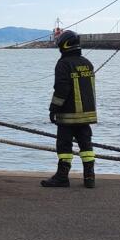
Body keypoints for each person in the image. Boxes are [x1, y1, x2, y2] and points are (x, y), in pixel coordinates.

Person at [42, 30, 98, 188]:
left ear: (64, 45)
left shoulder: (63, 64)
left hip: (68, 115)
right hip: (86, 115)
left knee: (64, 146)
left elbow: (61, 89)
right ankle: (89, 177)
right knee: (86, 146)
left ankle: (62, 177)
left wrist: (53, 109)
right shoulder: (87, 63)